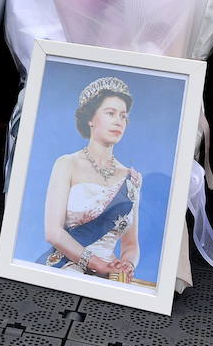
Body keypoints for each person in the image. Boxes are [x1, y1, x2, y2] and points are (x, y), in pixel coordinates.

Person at [39, 76, 142, 282]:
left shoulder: (130, 178)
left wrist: (127, 265)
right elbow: (53, 233)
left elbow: (131, 245)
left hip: (111, 272)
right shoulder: (67, 163)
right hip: (68, 266)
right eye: (110, 113)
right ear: (90, 118)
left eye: (123, 116)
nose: (118, 121)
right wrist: (96, 264)